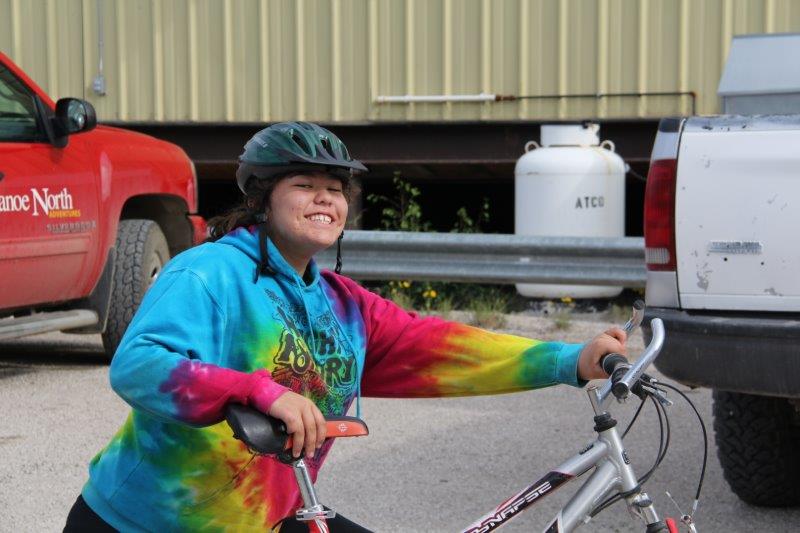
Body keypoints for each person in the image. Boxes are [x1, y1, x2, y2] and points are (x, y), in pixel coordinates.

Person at [64, 122, 627, 532]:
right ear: (263, 199)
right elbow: (140, 364)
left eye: (335, 189)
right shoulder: (209, 274)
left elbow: (434, 348)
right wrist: (259, 390)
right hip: (145, 523)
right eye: (305, 185)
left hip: (266, 518)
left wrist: (566, 359)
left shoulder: (340, 304)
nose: (325, 199)